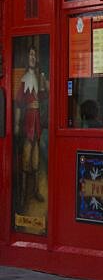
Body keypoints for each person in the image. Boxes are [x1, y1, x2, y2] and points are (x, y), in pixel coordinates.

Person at [14, 46, 48, 208]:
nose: (33, 57)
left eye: (34, 55)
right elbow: (19, 102)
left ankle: (35, 191)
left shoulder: (37, 76)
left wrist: (43, 84)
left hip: (37, 124)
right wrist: (16, 124)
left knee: (36, 161)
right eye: (30, 55)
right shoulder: (24, 79)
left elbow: (43, 96)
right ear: (27, 59)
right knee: (26, 160)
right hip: (28, 124)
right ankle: (22, 195)